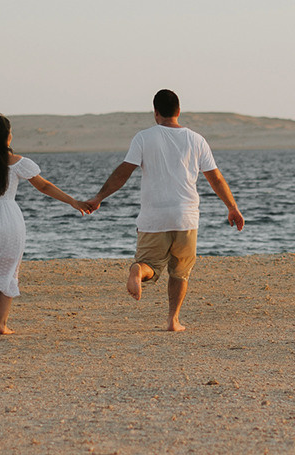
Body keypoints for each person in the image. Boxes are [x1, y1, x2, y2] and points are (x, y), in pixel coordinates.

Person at [82, 89, 245, 332]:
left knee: (150, 265)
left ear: (156, 113)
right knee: (180, 272)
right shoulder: (196, 139)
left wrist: (99, 197)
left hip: (153, 218)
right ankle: (173, 320)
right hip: (186, 217)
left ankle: (139, 270)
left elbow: (123, 172)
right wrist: (232, 207)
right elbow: (216, 178)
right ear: (179, 111)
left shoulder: (144, 137)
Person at [0, 112, 88, 335]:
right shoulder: (18, 164)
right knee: (8, 272)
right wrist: (73, 202)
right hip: (10, 219)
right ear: (7, 137)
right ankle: (2, 325)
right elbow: (44, 186)